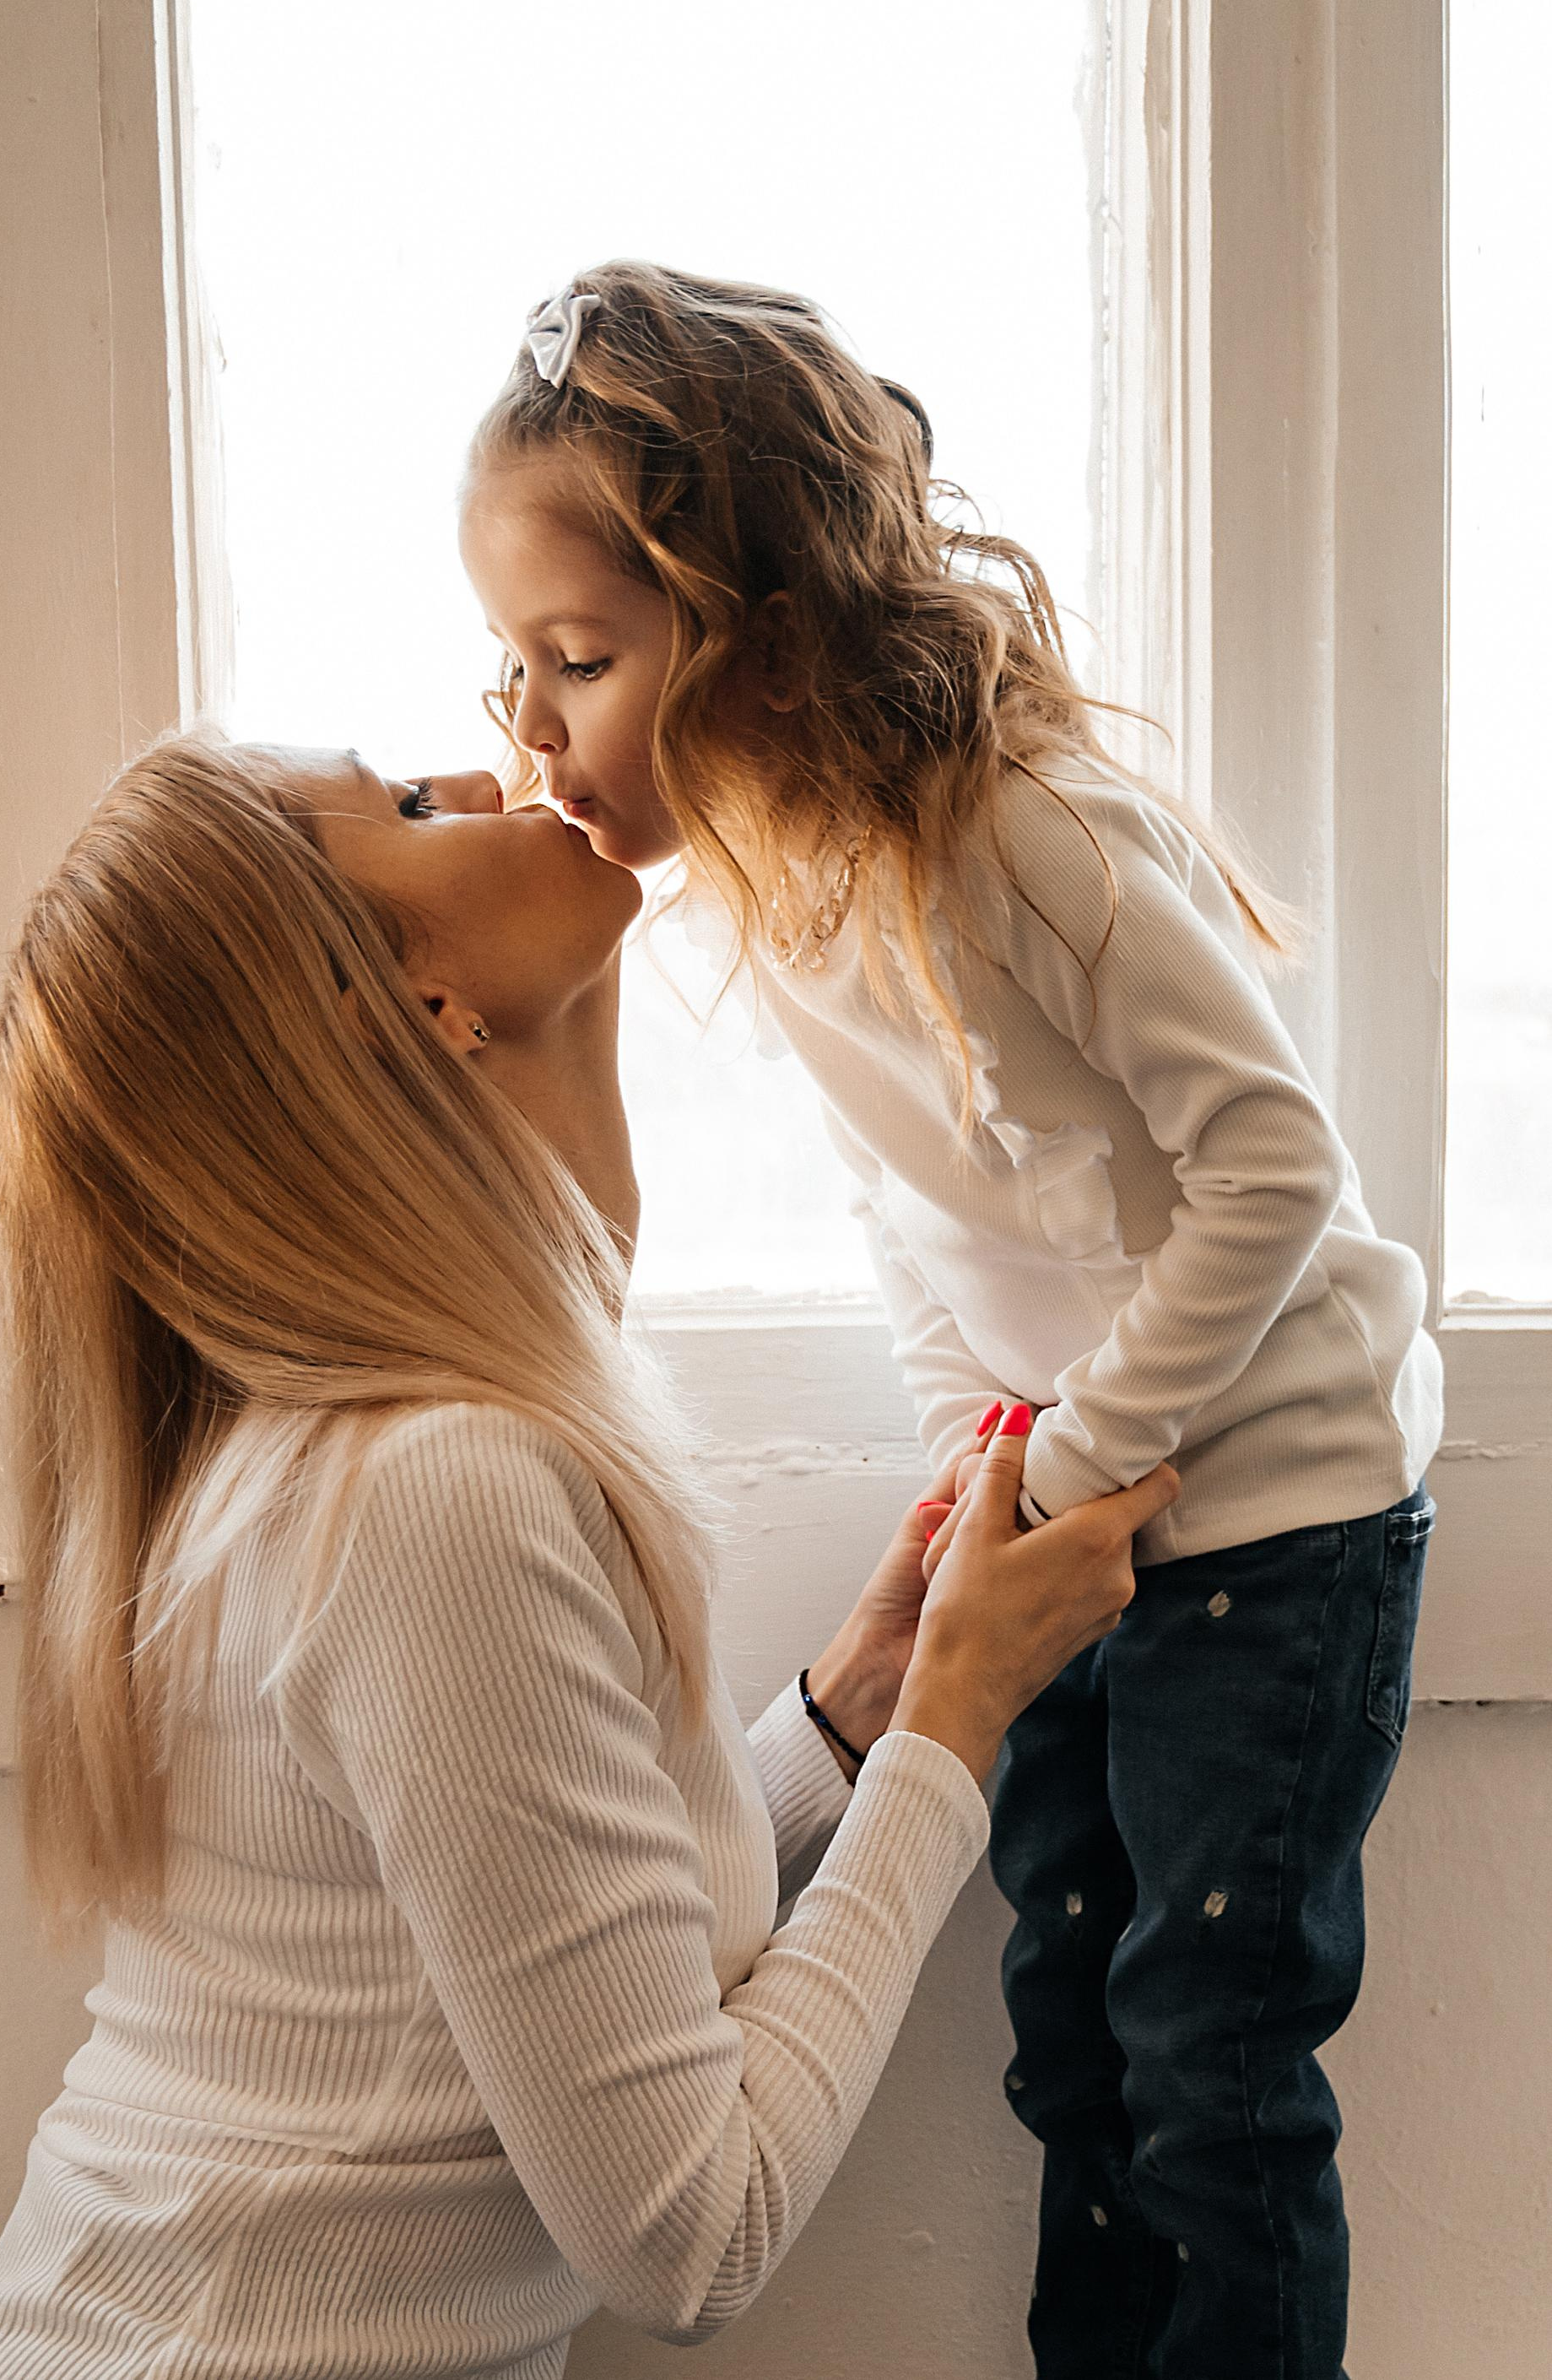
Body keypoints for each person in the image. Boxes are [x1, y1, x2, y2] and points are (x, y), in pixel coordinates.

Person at [457, 262, 1444, 2377]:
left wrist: (1073, 1454)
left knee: (1213, 2088)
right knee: (1067, 2066)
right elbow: (900, 1201)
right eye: (507, 668)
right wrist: (972, 1443)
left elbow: (1275, 1166)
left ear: (761, 633)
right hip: (1072, 1535)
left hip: (1271, 1533)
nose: (526, 726)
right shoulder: (784, 886)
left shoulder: (1025, 836)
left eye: (576, 659)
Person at [0, 731, 1175, 2380]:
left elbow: (505, 1945)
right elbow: (686, 2234)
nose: (487, 761)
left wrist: (848, 1713)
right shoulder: (436, 1488)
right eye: (414, 810)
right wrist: (959, 1716)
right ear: (417, 1007)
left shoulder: (385, 1452)